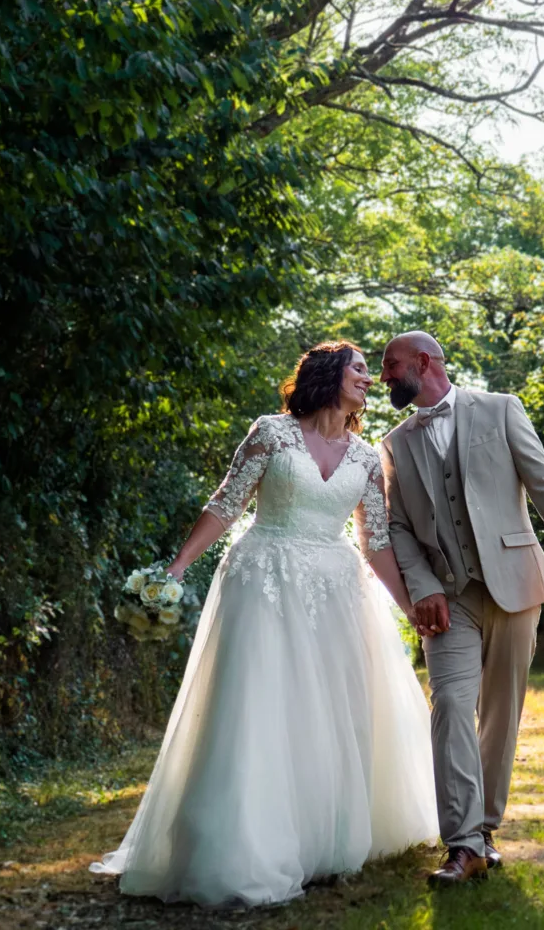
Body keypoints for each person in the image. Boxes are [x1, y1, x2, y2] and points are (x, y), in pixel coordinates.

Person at [91, 341, 438, 907]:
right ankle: (245, 846)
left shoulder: (367, 458)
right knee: (258, 705)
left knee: (328, 710)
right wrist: (175, 570)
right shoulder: (270, 433)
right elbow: (226, 504)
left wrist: (411, 610)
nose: (369, 380)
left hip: (335, 589)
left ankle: (320, 838)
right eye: (358, 370)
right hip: (263, 577)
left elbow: (375, 544)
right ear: (329, 375)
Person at [380, 331, 544, 887]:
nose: (384, 378)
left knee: (500, 713)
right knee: (451, 705)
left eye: (390, 366)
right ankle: (462, 845)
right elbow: (399, 527)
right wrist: (423, 584)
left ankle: (484, 832)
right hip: (447, 599)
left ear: (424, 362)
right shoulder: (394, 443)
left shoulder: (502, 411)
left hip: (516, 583)